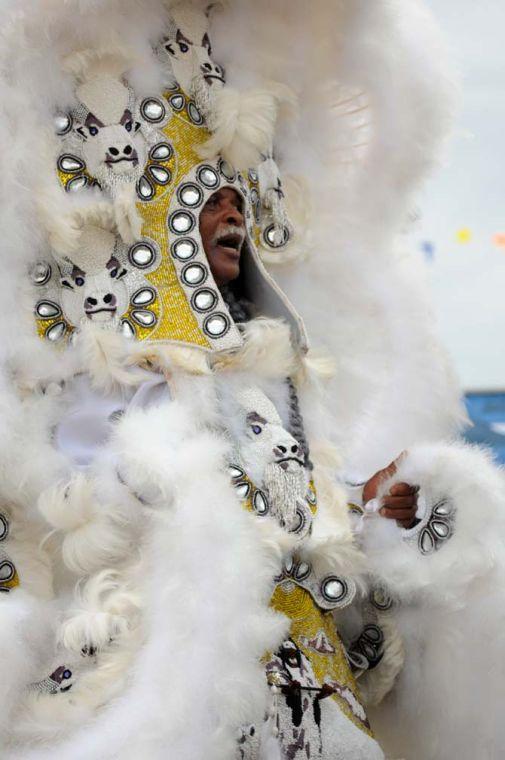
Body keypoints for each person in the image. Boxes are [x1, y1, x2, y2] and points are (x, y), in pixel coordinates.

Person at [1, 2, 505, 759]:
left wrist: (371, 516)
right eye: (207, 195)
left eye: (238, 191)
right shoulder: (84, 392)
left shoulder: (274, 391)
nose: (231, 206)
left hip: (301, 690)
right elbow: (96, 523)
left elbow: (294, 532)